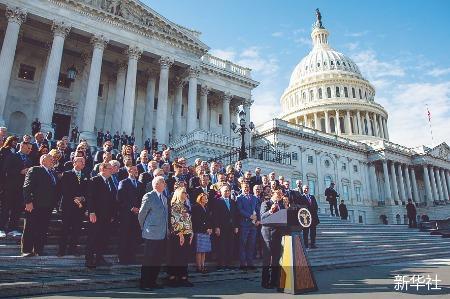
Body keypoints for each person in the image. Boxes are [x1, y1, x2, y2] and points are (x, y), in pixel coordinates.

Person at [21, 154, 58, 256]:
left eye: (53, 159)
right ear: (43, 161)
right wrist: (28, 202)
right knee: (30, 228)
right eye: (50, 159)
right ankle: (26, 250)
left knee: (42, 229)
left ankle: (38, 250)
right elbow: (27, 187)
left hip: (47, 206)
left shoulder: (53, 173)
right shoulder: (35, 170)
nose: (53, 161)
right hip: (34, 205)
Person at [138, 176, 169, 290]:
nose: (165, 184)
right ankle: (144, 283)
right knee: (149, 259)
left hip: (162, 234)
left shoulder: (164, 198)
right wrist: (145, 228)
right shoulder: (149, 196)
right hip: (151, 233)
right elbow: (141, 214)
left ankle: (152, 281)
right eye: (163, 182)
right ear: (156, 184)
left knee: (157, 259)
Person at [85, 162, 117, 268]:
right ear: (102, 169)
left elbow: (112, 199)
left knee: (103, 238)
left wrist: (112, 214)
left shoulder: (110, 182)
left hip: (106, 216)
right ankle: (89, 260)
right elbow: (90, 197)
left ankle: (99, 258)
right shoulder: (94, 180)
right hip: (96, 215)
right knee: (92, 237)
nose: (112, 171)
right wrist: (92, 212)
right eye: (110, 169)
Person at [58, 156, 89, 256]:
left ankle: (73, 249)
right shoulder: (67, 174)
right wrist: (75, 199)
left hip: (80, 208)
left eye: (84, 161)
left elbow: (87, 190)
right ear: (74, 162)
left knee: (77, 229)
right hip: (68, 206)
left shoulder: (86, 174)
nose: (83, 163)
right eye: (81, 161)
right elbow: (64, 189)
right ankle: (61, 250)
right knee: (65, 229)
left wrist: (83, 198)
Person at [1, 141, 32, 238]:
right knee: (6, 208)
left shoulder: (29, 160)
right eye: (28, 148)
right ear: (22, 146)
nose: (30, 150)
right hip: (10, 187)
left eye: (31, 148)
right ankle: (1, 228)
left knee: (17, 209)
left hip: (21, 189)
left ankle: (12, 228)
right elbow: (5, 170)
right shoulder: (12, 156)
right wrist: (19, 171)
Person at [117, 165, 145, 264]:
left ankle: (131, 257)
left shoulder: (140, 184)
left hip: (137, 215)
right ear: (129, 171)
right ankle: (122, 257)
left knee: (134, 236)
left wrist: (139, 209)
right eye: (134, 170)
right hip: (126, 214)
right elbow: (121, 198)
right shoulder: (123, 182)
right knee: (124, 236)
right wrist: (131, 207)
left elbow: (142, 199)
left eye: (137, 170)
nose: (136, 171)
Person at [167, 187, 194, 287]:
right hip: (177, 236)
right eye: (183, 192)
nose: (186, 194)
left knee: (184, 257)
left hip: (186, 235)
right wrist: (180, 233)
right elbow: (174, 221)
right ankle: (173, 278)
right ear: (178, 194)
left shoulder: (185, 206)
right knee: (176, 257)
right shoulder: (174, 206)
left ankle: (183, 277)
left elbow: (188, 221)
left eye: (186, 192)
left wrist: (191, 233)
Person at [260, 185, 285, 289]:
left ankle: (275, 281)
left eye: (281, 194)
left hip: (278, 234)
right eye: (277, 194)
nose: (279, 195)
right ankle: (265, 282)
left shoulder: (281, 205)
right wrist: (270, 211)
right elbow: (262, 217)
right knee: (267, 259)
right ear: (273, 194)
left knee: (276, 259)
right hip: (268, 234)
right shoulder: (266, 203)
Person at [213, 185, 238, 270]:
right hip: (221, 227)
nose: (227, 192)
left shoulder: (233, 201)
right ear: (221, 192)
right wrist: (216, 227)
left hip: (231, 227)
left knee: (230, 245)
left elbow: (235, 215)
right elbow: (215, 216)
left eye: (228, 190)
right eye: (225, 191)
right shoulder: (217, 201)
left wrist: (236, 226)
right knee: (221, 245)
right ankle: (221, 263)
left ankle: (229, 263)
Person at [236, 182, 259, 270]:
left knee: (251, 244)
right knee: (243, 244)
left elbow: (257, 208)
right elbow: (240, 210)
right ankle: (243, 264)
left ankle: (250, 263)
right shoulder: (239, 198)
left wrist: (258, 220)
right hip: (244, 224)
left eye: (248, 187)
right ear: (242, 188)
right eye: (245, 187)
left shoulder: (254, 197)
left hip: (253, 225)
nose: (246, 188)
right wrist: (249, 216)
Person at [191, 193, 212, 273]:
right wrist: (206, 228)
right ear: (200, 199)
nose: (205, 199)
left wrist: (210, 228)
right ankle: (199, 267)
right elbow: (197, 221)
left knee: (204, 250)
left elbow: (208, 219)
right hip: (199, 231)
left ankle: (203, 266)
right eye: (204, 198)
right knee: (199, 250)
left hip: (206, 231)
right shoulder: (196, 207)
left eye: (206, 198)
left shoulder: (206, 207)